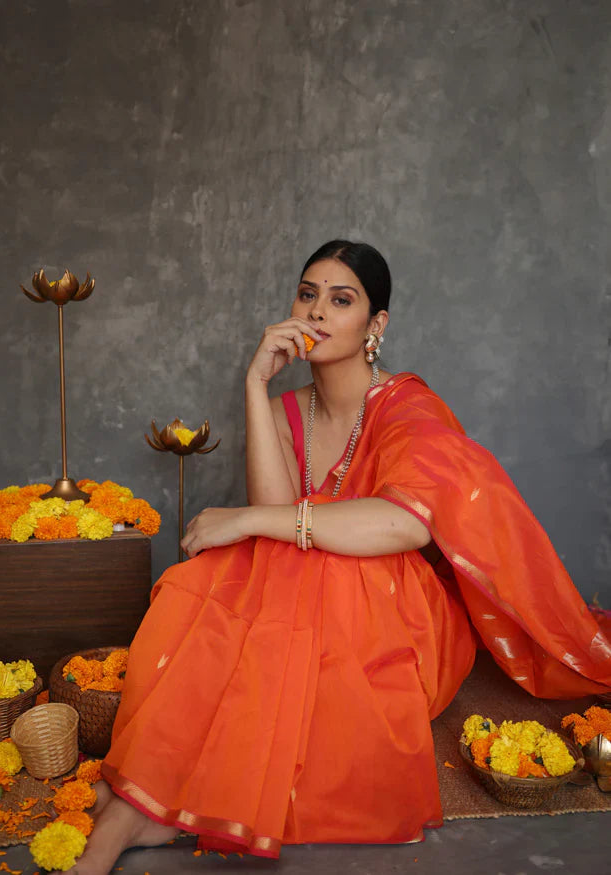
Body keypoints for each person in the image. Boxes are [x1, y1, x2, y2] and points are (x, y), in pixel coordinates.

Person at [67, 240, 611, 874]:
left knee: (286, 563)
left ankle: (147, 807)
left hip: (397, 615)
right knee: (224, 571)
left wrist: (244, 517)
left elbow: (403, 524)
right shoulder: (284, 409)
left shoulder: (408, 407)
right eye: (307, 294)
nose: (318, 312)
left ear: (375, 326)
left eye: (341, 299)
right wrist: (254, 381)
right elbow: (275, 526)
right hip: (298, 603)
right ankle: (152, 801)